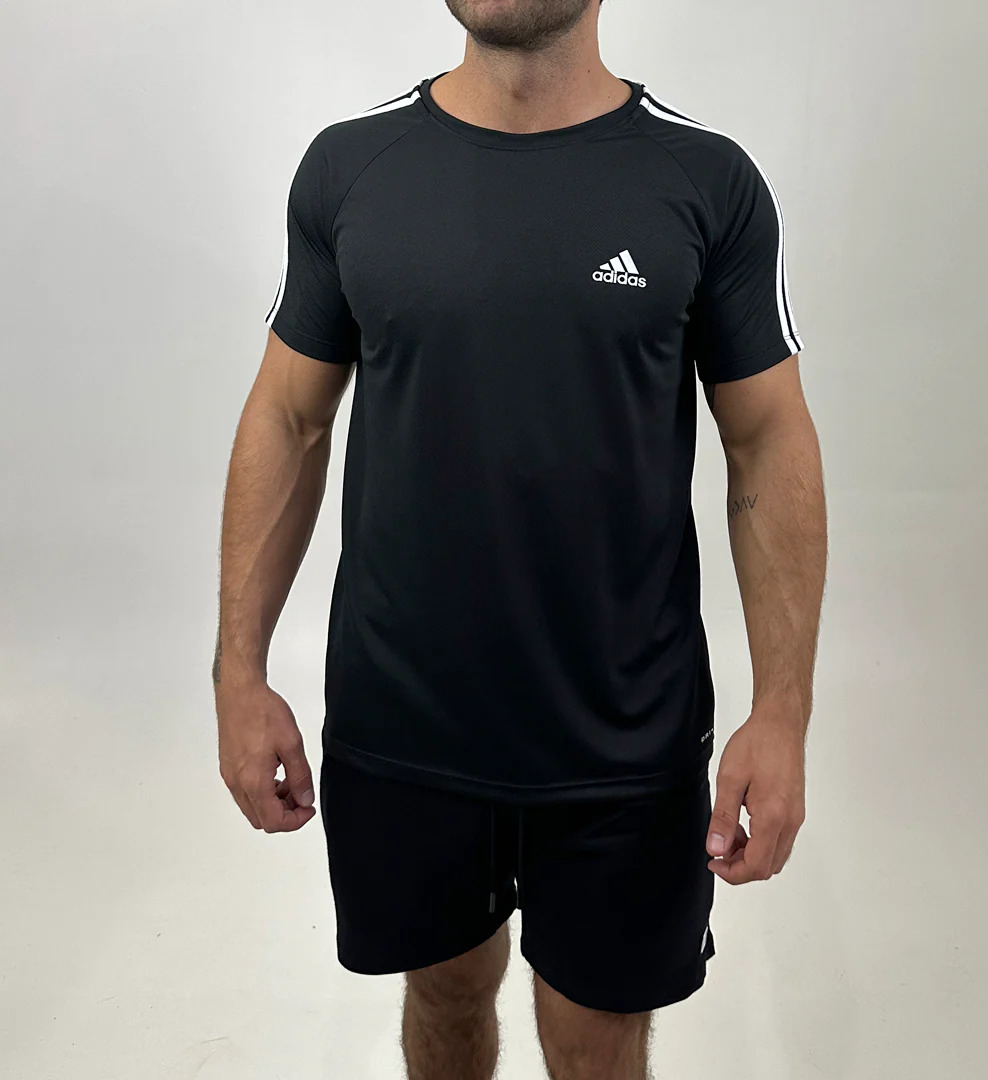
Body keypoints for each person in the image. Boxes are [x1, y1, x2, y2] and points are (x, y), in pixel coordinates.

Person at [213, 0, 827, 1076]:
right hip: (404, 728)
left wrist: (783, 713)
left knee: (595, 1040)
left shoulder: (705, 180)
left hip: (624, 738)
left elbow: (767, 440)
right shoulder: (353, 169)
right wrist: (238, 669)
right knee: (445, 996)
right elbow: (288, 416)